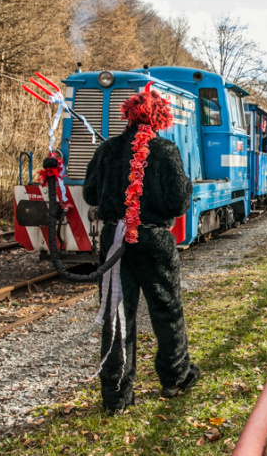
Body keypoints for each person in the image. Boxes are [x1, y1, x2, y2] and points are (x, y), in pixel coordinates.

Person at [83, 90, 201, 415]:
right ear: (160, 118)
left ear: (129, 115)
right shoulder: (166, 151)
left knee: (117, 317)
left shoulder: (107, 149)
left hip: (114, 242)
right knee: (167, 311)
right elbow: (178, 202)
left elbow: (91, 193)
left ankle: (117, 398)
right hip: (155, 242)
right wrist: (186, 185)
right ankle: (175, 379)